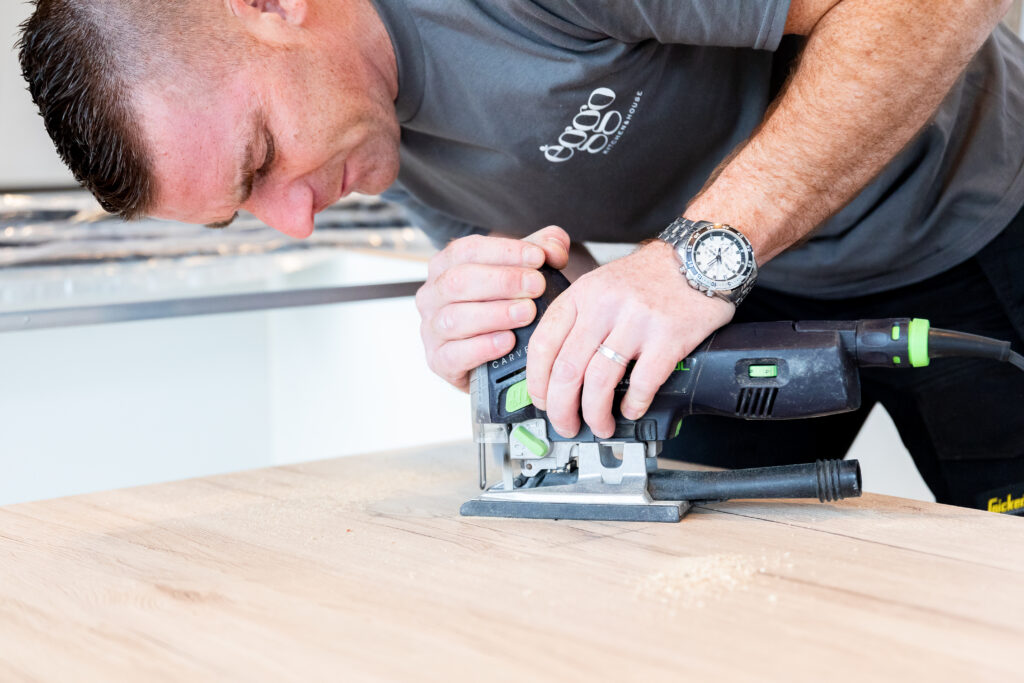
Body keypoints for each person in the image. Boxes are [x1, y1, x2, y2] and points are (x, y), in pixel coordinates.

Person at [18, 0, 1024, 512]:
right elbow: (590, 283)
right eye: (247, 207)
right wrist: (526, 321)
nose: (295, 218)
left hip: (975, 211)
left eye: (262, 160)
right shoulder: (361, 130)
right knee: (698, 606)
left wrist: (697, 255)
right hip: (737, 292)